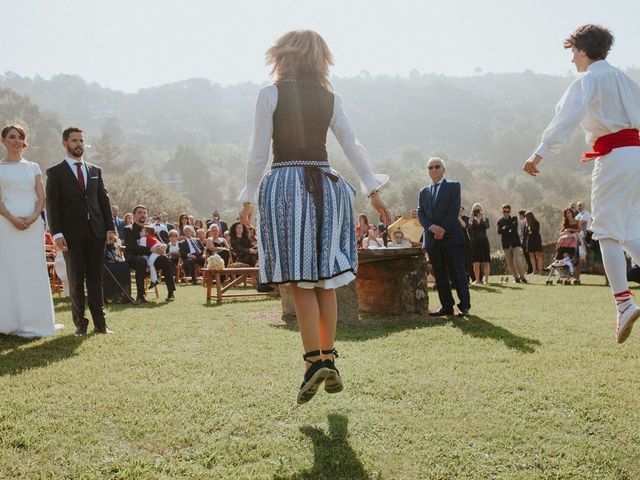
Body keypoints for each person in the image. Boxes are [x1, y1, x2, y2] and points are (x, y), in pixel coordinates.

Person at [238, 30, 391, 404]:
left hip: (287, 184)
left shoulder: (269, 94)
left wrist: (247, 198)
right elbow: (352, 145)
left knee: (298, 278)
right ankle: (329, 357)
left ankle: (312, 362)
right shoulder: (330, 98)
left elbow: (258, 152)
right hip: (328, 184)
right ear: (321, 60)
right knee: (325, 278)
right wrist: (373, 189)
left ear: (284, 56)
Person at [524, 24, 640, 342]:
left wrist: (539, 153)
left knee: (605, 232)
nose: (572, 58)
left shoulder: (588, 80)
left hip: (614, 157)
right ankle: (624, 304)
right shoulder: (626, 80)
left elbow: (566, 117)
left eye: (573, 51)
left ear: (584, 50)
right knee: (630, 230)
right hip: (636, 156)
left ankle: (624, 304)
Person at [46, 127, 116, 336]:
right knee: (76, 280)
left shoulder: (95, 170)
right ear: (65, 143)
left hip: (97, 232)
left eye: (81, 140)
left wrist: (110, 228)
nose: (79, 144)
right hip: (70, 236)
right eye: (74, 140)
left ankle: (101, 325)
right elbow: (53, 206)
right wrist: (57, 234)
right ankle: (80, 325)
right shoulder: (55, 172)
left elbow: (103, 201)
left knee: (96, 279)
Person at [0, 125, 57, 337]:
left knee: (31, 268)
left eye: (20, 137)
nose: (17, 141)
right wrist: (13, 219)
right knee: (8, 268)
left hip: (33, 225)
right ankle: (7, 320)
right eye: (12, 137)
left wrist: (33, 218)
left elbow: (41, 197)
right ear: (3, 140)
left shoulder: (33, 167)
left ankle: (34, 319)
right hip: (5, 224)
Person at [417, 157, 470, 316]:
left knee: (457, 272)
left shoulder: (454, 186)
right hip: (432, 239)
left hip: (451, 237)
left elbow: (454, 209)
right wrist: (432, 228)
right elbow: (421, 213)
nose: (433, 169)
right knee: (439, 275)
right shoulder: (423, 191)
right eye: (430, 167)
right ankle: (446, 306)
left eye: (436, 166)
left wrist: (443, 230)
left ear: (443, 169)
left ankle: (464, 306)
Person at [124, 205, 175, 302]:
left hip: (151, 258)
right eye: (139, 213)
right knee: (141, 261)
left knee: (165, 259)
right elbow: (132, 247)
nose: (142, 215)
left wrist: (163, 247)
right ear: (134, 216)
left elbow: (160, 243)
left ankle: (171, 292)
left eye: (144, 213)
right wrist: (151, 249)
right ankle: (140, 295)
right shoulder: (128, 229)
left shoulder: (151, 229)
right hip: (134, 257)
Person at [497, 204, 528, 283]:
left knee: (517, 259)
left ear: (509, 211)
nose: (505, 213)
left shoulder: (514, 218)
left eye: (507, 211)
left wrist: (505, 228)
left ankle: (522, 277)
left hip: (515, 243)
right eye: (504, 211)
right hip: (506, 244)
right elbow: (499, 231)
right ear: (502, 211)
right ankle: (516, 278)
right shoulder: (500, 221)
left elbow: (513, 227)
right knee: (510, 262)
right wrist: (508, 228)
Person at [469, 202, 491, 284]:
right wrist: (472, 217)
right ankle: (477, 280)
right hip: (475, 242)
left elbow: (487, 226)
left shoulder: (485, 219)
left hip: (484, 241)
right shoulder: (470, 220)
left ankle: (486, 280)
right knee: (476, 263)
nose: (477, 210)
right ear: (473, 210)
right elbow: (470, 229)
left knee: (486, 261)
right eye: (475, 209)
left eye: (479, 208)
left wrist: (483, 216)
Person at [139, 225, 161, 289]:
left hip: (156, 250)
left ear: (146, 233)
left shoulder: (144, 238)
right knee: (151, 263)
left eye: (142, 231)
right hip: (159, 250)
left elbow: (143, 249)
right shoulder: (153, 237)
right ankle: (154, 279)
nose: (140, 232)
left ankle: (154, 280)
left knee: (150, 263)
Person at [518, 209, 533, 274]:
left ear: (522, 215)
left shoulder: (526, 222)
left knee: (528, 256)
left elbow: (526, 233)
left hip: (526, 242)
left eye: (519, 215)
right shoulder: (521, 223)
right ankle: (530, 268)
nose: (519, 217)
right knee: (526, 256)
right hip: (523, 242)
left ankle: (531, 269)